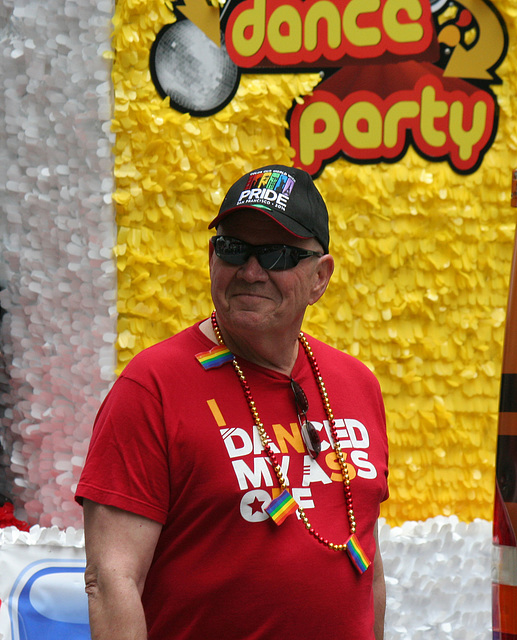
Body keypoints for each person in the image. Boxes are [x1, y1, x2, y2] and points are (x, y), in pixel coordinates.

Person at [76, 164, 389, 640]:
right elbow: (111, 579)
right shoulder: (151, 387)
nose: (250, 271)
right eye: (232, 248)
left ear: (320, 278)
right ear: (210, 258)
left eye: (277, 255)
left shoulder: (356, 383)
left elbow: (366, 564)